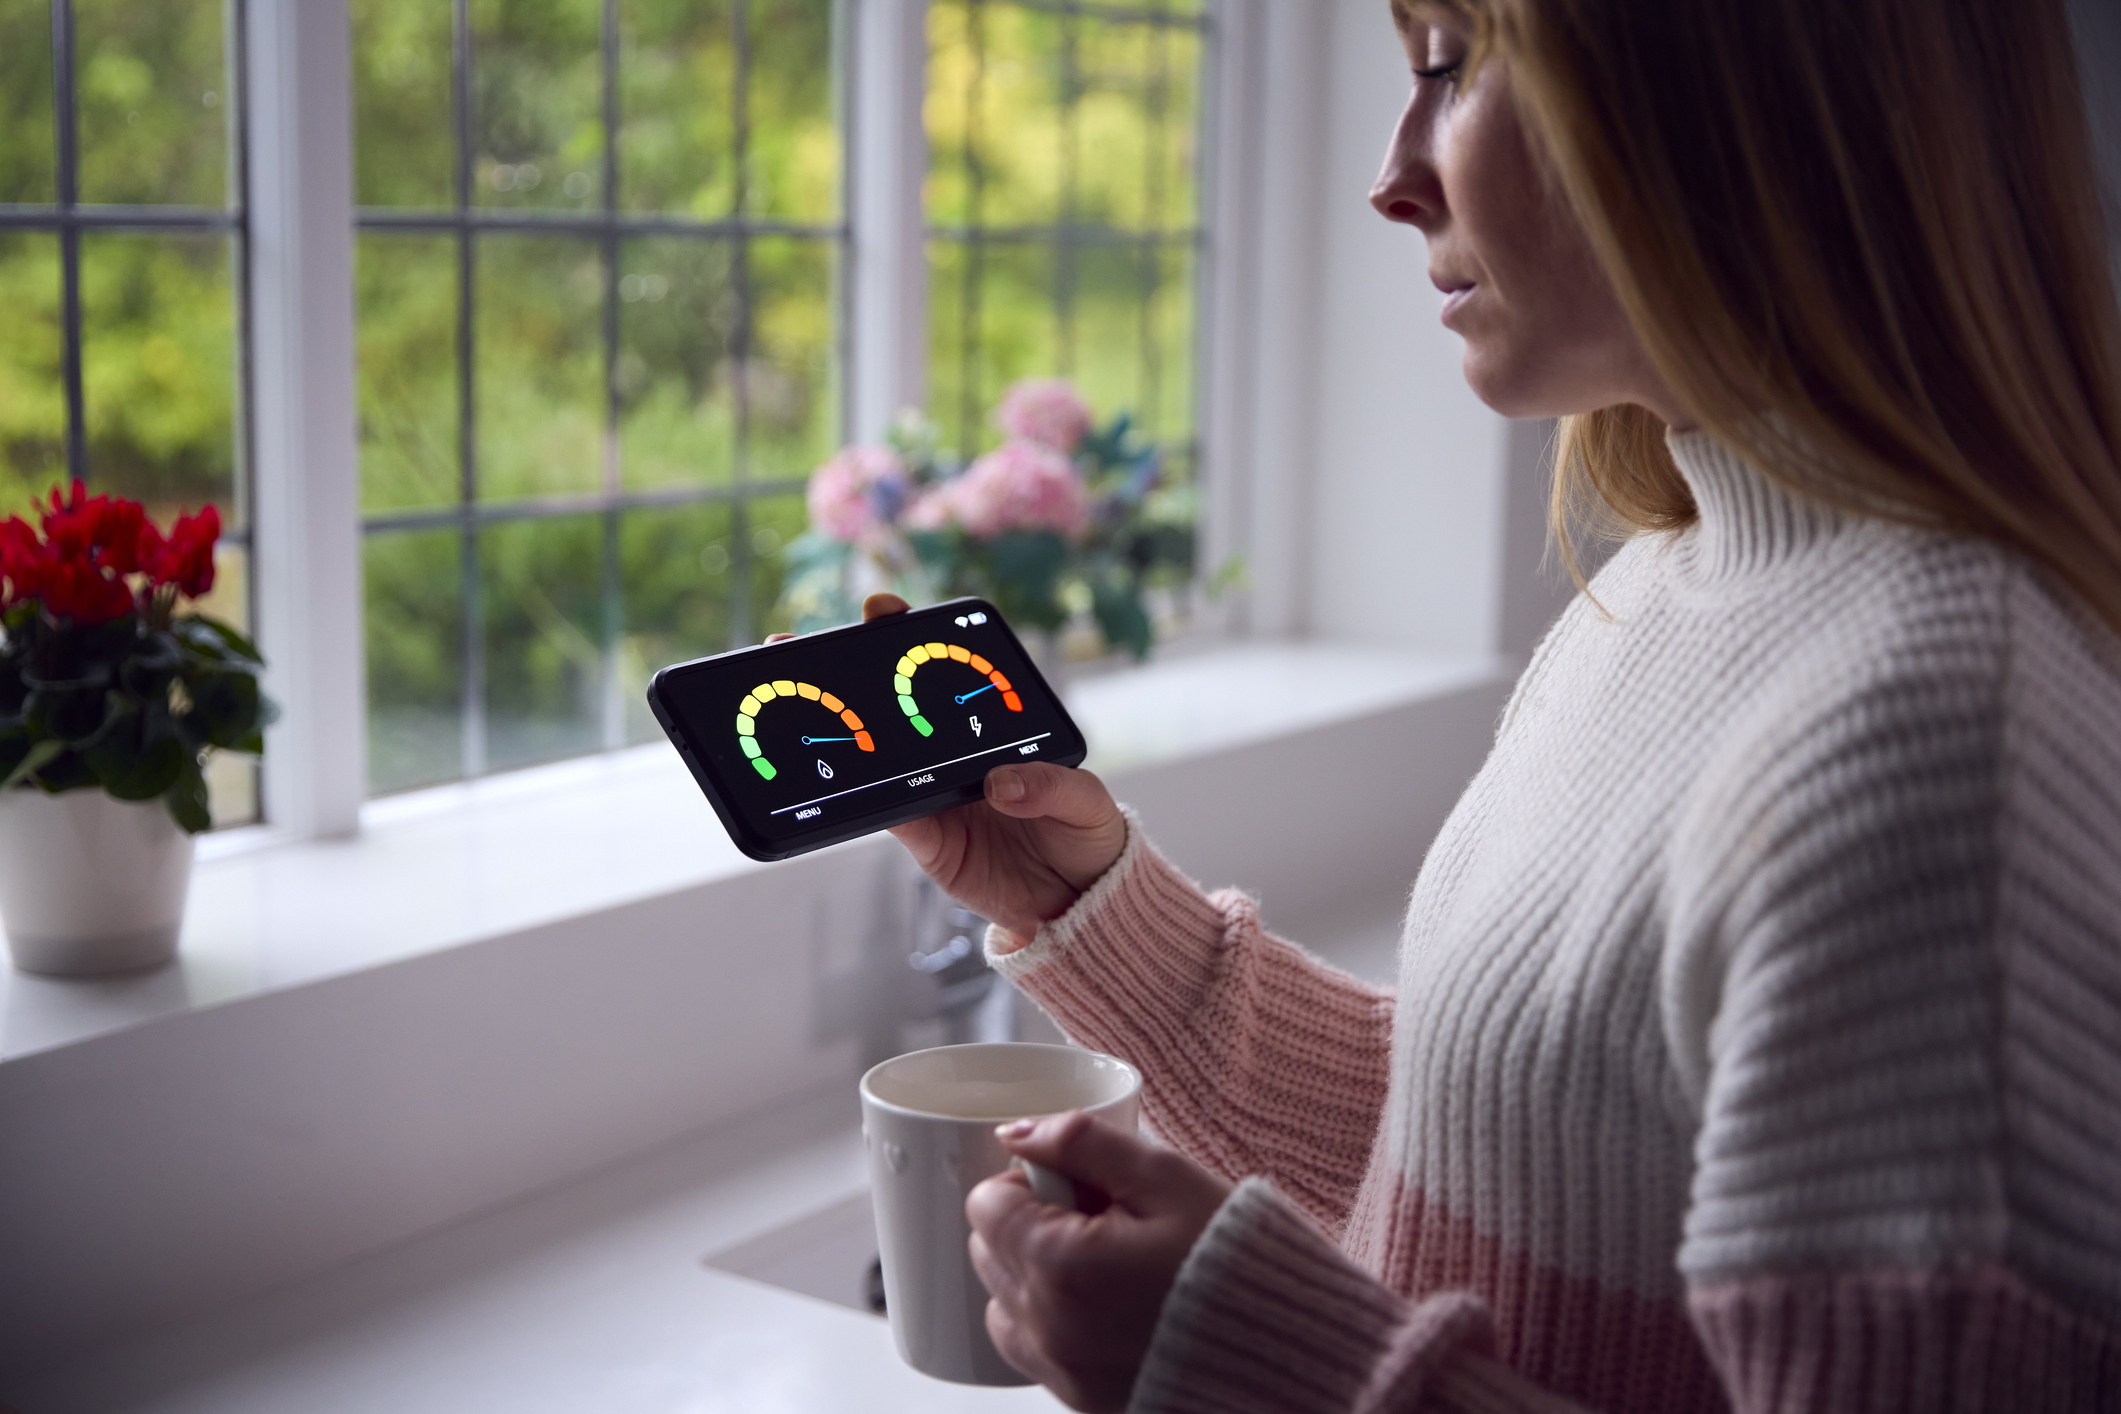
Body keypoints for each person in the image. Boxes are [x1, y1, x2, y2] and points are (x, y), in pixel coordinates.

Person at [810, 0, 2121, 1406]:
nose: (1392, 178)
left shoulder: (1933, 742)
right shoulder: (1671, 586)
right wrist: (1097, 911)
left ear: (1730, 93)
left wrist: (1259, 1366)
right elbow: (1518, 1147)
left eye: (1452, 64)